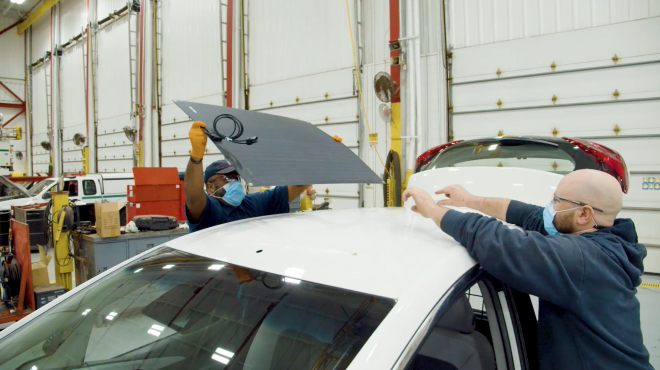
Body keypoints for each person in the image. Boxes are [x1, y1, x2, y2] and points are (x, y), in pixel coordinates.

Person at [402, 169, 653, 370]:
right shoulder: (608, 239)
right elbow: (527, 215)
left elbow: (497, 240)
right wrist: (469, 200)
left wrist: (433, 210)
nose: (549, 207)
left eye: (557, 201)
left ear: (584, 214)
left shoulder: (582, 260)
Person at [184, 121, 310, 232]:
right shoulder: (211, 211)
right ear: (210, 187)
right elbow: (193, 197)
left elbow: (297, 186)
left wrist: (323, 156)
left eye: (236, 178)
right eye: (228, 178)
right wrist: (196, 157)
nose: (235, 182)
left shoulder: (251, 204)